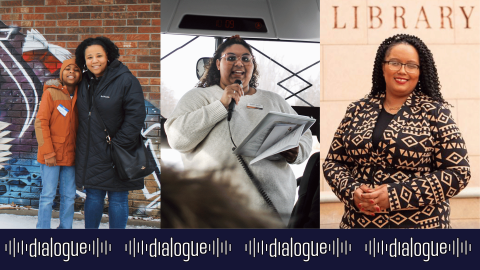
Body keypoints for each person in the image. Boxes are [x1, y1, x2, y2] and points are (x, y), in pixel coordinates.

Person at [323, 34, 471, 228]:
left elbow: (458, 172)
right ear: (382, 67)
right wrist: (352, 191)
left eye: (411, 65)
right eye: (394, 63)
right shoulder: (357, 110)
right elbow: (333, 163)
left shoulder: (435, 112)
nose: (402, 71)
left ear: (420, 72)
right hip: (357, 226)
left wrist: (395, 195)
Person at [165, 35, 313, 225]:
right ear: (218, 64)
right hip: (216, 214)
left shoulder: (274, 100)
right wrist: (221, 105)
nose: (239, 63)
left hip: (273, 214)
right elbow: (178, 139)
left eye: (246, 58)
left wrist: (296, 151)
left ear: (253, 65)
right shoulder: (198, 97)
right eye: (231, 57)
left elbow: (304, 134)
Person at [74, 36, 146, 229]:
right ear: (84, 60)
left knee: (118, 198)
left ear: (108, 57)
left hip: (118, 153)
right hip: (91, 153)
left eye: (99, 55)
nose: (94, 60)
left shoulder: (126, 80)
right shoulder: (84, 82)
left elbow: (136, 116)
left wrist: (118, 144)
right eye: (89, 57)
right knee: (94, 198)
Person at [35, 57, 81, 229]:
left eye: (76, 69)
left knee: (69, 196)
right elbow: (41, 123)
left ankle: (65, 229)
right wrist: (48, 153)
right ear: (62, 72)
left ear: (80, 75)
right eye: (68, 69)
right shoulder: (51, 93)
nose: (71, 72)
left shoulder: (81, 95)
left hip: (71, 155)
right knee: (47, 196)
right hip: (51, 155)